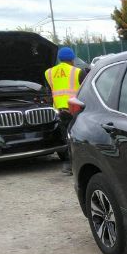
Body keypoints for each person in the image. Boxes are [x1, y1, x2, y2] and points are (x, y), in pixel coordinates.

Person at [45, 46, 83, 175]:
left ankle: (68, 164)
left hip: (60, 110)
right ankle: (77, 165)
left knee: (66, 137)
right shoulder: (77, 71)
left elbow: (51, 89)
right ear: (72, 58)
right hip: (75, 109)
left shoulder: (49, 72)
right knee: (79, 138)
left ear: (60, 59)